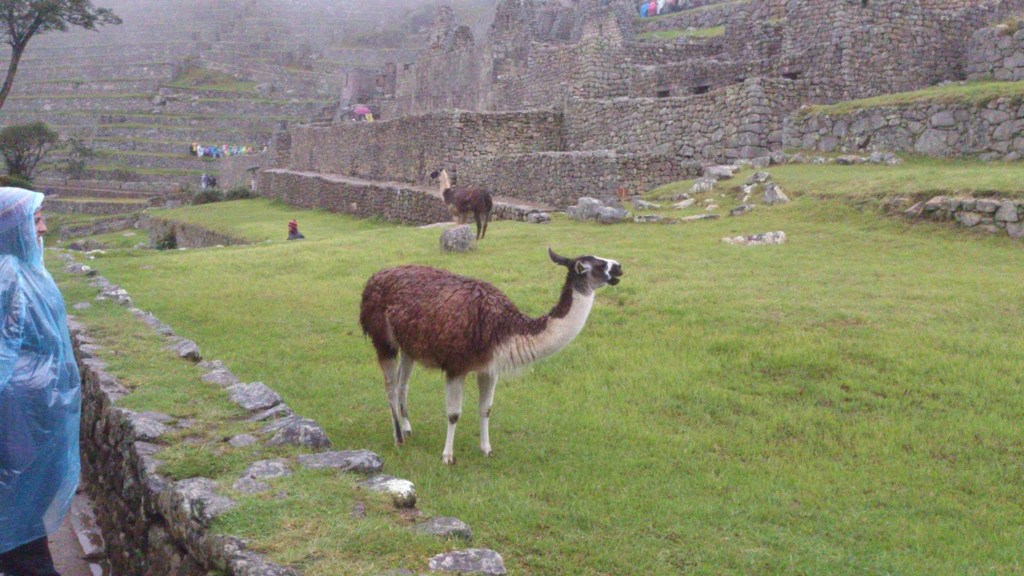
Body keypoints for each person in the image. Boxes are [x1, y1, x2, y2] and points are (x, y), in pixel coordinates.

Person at [0, 187, 82, 576]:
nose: (44, 228)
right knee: (21, 537)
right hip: (16, 432)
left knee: (25, 525)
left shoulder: (27, 272)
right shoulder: (8, 279)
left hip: (32, 427)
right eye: (35, 220)